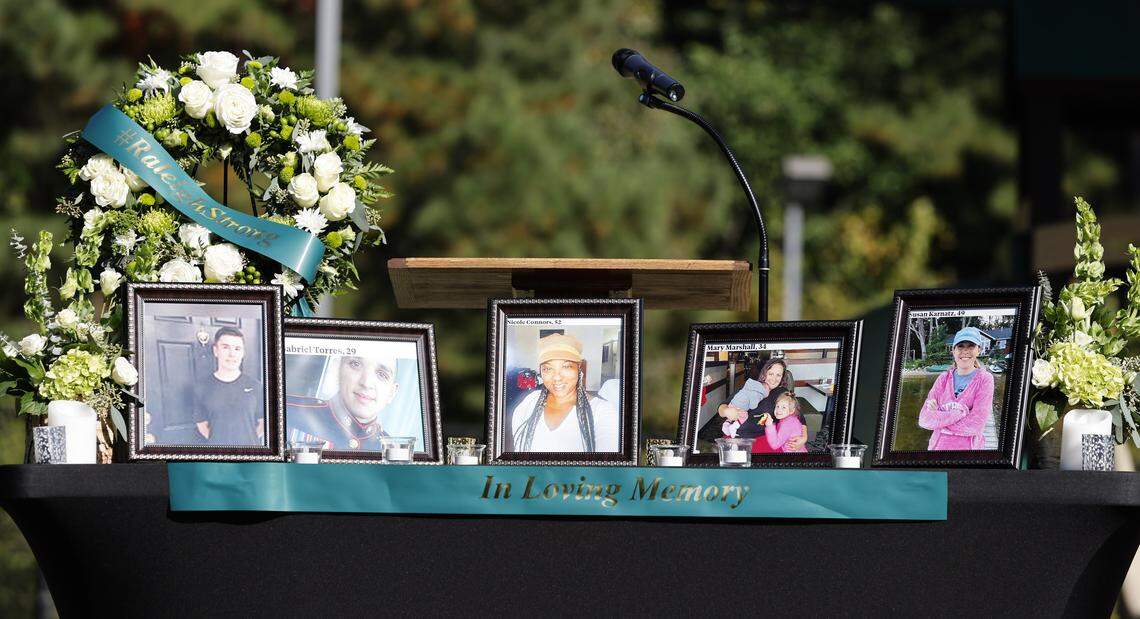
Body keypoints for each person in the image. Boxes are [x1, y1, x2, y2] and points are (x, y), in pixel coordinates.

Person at [510, 333, 619, 452]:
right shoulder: (529, 402)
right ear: (541, 371)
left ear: (579, 368)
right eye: (548, 368)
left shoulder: (602, 411)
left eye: (566, 366)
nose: (557, 377)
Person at [287, 352, 400, 451]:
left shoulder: (393, 451)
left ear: (392, 393)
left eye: (382, 374)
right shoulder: (287, 412)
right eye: (356, 364)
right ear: (337, 369)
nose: (366, 383)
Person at [698, 358, 808, 451]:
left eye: (778, 375)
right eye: (771, 374)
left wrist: (804, 437)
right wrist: (727, 411)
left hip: (763, 438)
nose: (774, 379)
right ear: (764, 374)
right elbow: (722, 407)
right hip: (736, 434)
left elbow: (798, 415)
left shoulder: (782, 392)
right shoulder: (752, 387)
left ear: (782, 377)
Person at [917, 326, 995, 450]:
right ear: (953, 350)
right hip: (937, 447)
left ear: (978, 350)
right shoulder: (943, 379)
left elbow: (976, 424)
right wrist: (961, 412)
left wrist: (940, 416)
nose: (965, 351)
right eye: (960, 346)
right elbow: (924, 419)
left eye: (971, 346)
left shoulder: (985, 379)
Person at [192, 326, 263, 445]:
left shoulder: (256, 386)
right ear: (216, 351)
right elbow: (202, 424)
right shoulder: (202, 387)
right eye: (225, 347)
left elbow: (263, 423)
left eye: (237, 349)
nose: (232, 354)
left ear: (243, 353)